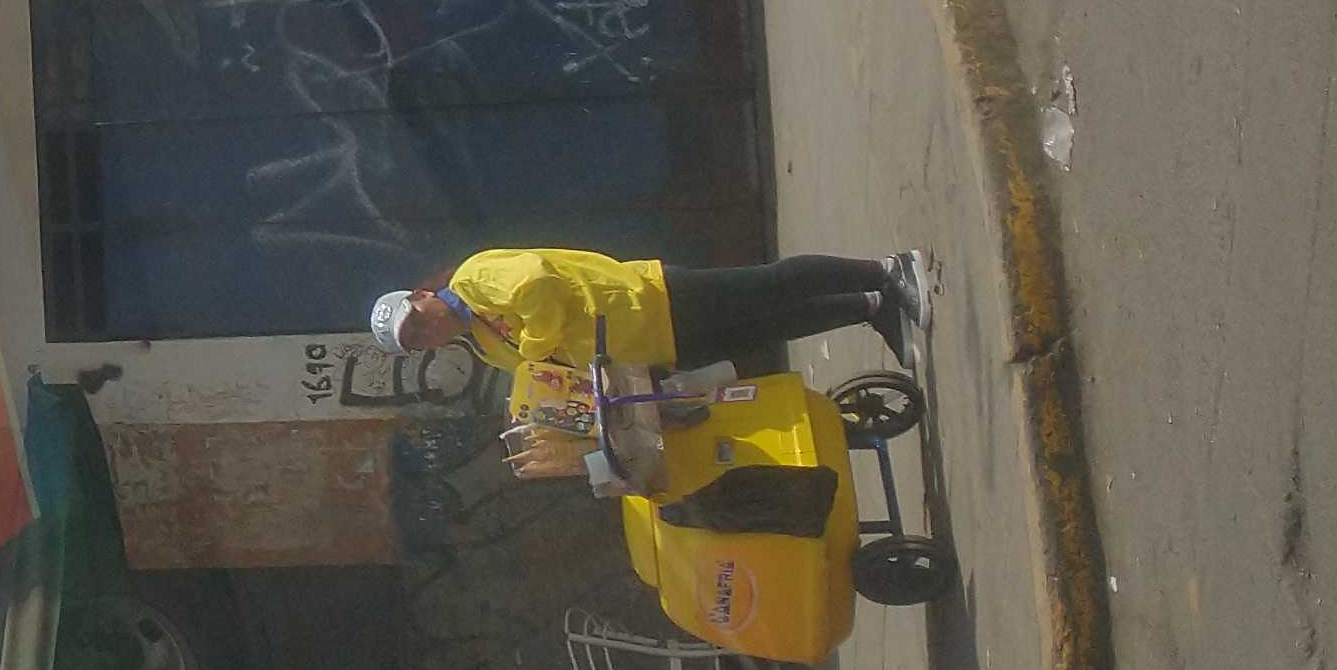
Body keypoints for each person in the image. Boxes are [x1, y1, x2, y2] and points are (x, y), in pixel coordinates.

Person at [369, 242, 929, 381]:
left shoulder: (472, 280)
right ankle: (870, 308)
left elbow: (538, 284)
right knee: (769, 328)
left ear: (422, 296)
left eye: (417, 321)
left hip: (650, 298)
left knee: (767, 286)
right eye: (417, 342)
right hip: (654, 350)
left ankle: (884, 270)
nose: (426, 332)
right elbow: (547, 375)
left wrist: (536, 348)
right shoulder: (487, 347)